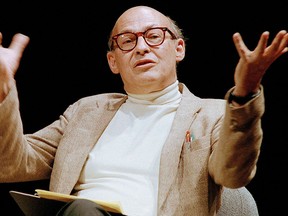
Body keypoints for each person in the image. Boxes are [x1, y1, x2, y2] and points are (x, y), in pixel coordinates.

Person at [0, 5, 288, 216]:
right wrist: (3, 90)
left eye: (153, 36)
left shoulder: (212, 115)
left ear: (178, 49)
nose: (141, 47)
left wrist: (245, 93)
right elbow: (11, 164)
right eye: (127, 40)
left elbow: (234, 175)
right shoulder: (85, 112)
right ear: (113, 62)